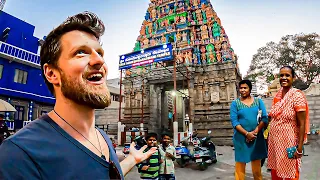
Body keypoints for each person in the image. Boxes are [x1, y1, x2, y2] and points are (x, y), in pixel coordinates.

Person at [0, 11, 157, 180]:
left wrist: (132, 159)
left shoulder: (101, 137)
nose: (100, 61)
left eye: (100, 53)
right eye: (81, 52)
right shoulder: (19, 154)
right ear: (52, 73)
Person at [268, 66, 309, 180]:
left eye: (287, 75)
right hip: (275, 143)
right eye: (281, 75)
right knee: (276, 173)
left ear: (293, 78)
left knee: (291, 173)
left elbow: (302, 124)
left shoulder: (297, 96)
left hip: (289, 142)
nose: (284, 78)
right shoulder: (277, 96)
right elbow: (273, 117)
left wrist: (299, 148)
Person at [230, 80, 268, 180]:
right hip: (241, 139)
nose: (242, 90)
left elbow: (264, 118)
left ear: (250, 89)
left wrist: (254, 132)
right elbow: (235, 122)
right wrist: (247, 134)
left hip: (256, 138)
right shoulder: (235, 104)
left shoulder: (258, 101)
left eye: (245, 88)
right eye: (241, 88)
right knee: (240, 168)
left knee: (256, 169)